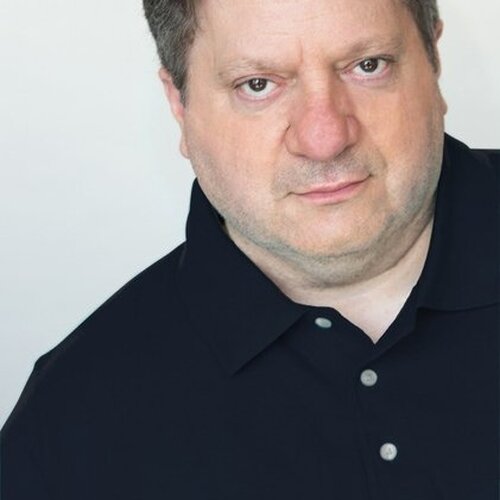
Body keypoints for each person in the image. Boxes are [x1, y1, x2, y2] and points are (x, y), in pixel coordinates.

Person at [1, 0, 499, 498]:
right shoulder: (69, 425)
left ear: (434, 60)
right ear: (180, 105)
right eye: (257, 85)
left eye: (368, 65)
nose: (324, 138)